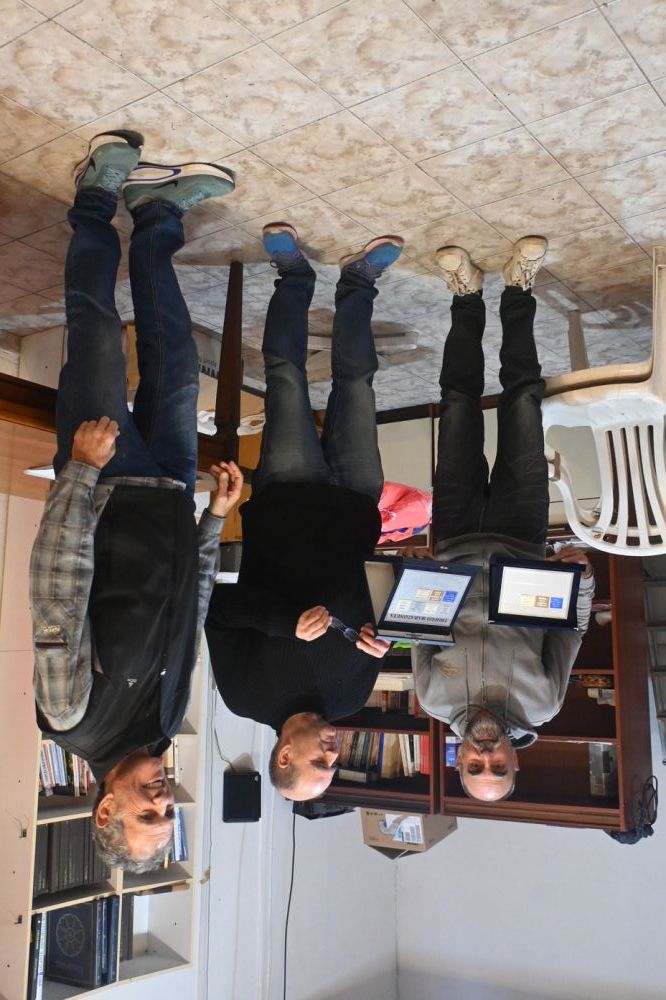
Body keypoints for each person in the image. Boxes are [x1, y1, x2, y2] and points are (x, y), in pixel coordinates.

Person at [30, 130, 244, 870]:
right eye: (169, 811)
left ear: (106, 808)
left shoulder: (71, 718)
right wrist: (213, 522)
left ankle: (94, 197)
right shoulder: (163, 722)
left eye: (147, 813)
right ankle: (156, 215)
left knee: (95, 329)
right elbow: (190, 608)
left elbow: (57, 588)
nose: (162, 799)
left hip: (108, 478)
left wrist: (79, 473)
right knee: (174, 352)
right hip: (174, 489)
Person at [205, 225, 404, 802]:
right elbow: (373, 608)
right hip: (356, 502)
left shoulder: (244, 697)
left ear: (285, 755)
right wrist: (382, 639)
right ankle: (359, 284)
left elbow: (213, 610)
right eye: (334, 765)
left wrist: (282, 622)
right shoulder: (351, 698)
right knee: (358, 384)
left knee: (285, 378)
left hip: (288, 500)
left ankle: (293, 277)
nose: (334, 754)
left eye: (321, 762)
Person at [411, 236, 595, 803]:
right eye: (497, 766)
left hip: (456, 532)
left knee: (457, 404)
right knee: (522, 403)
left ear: (459, 761)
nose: (486, 755)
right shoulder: (544, 703)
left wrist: (416, 577)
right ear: (515, 759)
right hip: (521, 534)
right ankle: (518, 290)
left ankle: (466, 298)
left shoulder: (432, 699)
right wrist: (584, 582)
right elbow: (573, 628)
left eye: (475, 767)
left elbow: (418, 624)